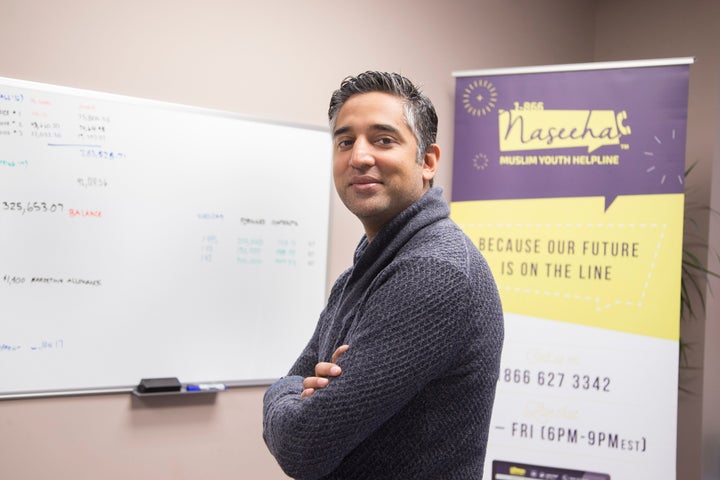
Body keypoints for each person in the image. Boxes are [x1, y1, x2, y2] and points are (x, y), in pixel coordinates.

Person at [262, 71, 504, 479]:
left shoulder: (433, 272)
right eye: (345, 141)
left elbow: (302, 445)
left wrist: (281, 393)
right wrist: (298, 391)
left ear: (427, 161)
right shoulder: (368, 267)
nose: (359, 156)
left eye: (383, 139)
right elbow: (302, 386)